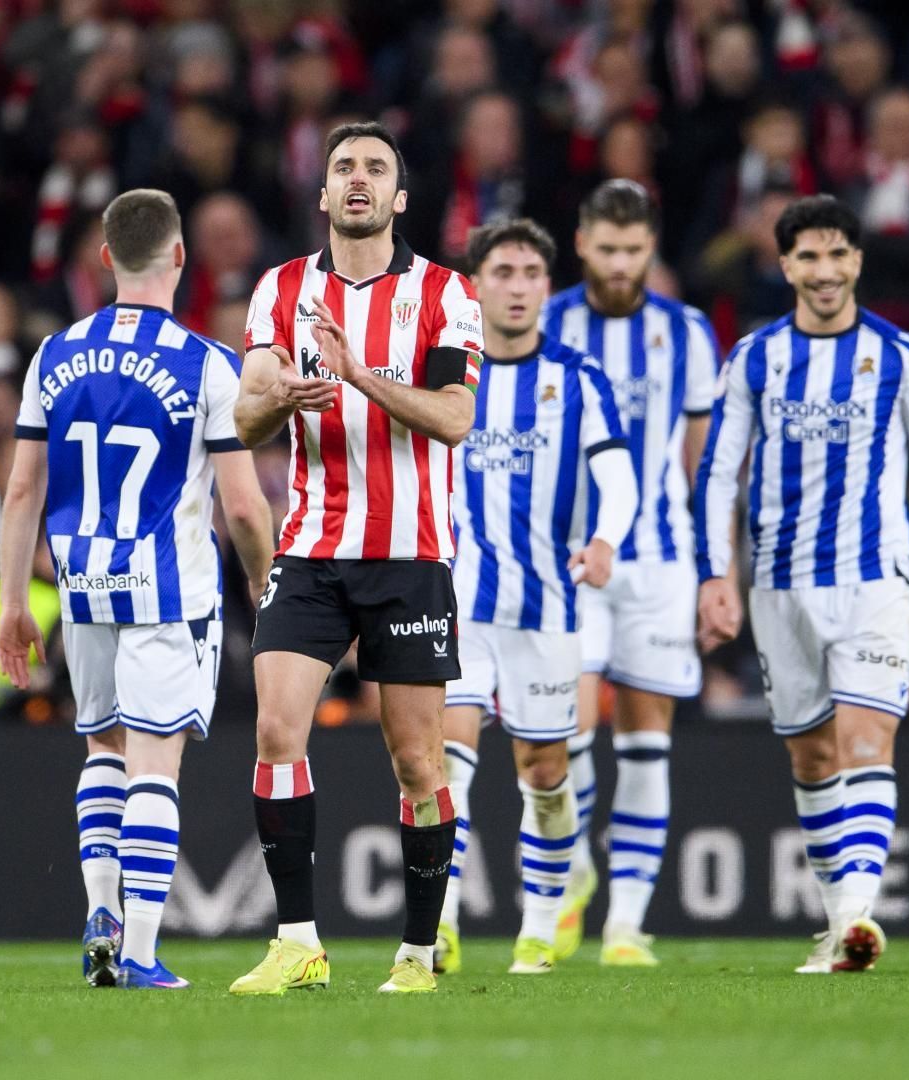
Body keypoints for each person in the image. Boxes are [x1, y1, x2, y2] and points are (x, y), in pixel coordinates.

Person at [693, 195, 909, 974]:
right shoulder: (755, 358)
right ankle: (840, 926)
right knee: (813, 759)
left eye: (837, 255)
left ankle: (857, 916)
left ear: (857, 260)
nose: (824, 271)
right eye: (808, 257)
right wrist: (714, 577)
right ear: (785, 265)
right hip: (779, 587)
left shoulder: (898, 357)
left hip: (875, 580)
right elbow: (719, 473)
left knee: (865, 743)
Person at [0, 189, 275, 990]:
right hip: (168, 591)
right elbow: (244, 503)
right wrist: (262, 579)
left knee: (102, 752)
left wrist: (17, 602)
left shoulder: (53, 354)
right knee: (156, 766)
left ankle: (100, 912)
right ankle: (144, 950)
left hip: (82, 586)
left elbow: (23, 492)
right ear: (181, 257)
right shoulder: (206, 364)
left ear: (105, 258)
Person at [229, 121, 483, 996]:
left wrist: (358, 372)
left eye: (377, 167)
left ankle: (416, 954)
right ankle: (297, 941)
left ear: (400, 197)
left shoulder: (448, 294)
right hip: (310, 549)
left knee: (418, 761)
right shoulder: (281, 289)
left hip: (411, 555)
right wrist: (284, 396)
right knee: (274, 727)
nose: (360, 179)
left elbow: (454, 418)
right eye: (345, 168)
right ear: (325, 194)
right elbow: (247, 416)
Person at [436, 218, 636, 976]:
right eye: (503, 273)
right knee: (444, 765)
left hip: (550, 606)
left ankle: (538, 930)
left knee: (545, 772)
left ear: (547, 287)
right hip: (458, 604)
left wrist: (607, 538)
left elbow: (618, 477)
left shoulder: (578, 379)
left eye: (530, 274)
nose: (517, 287)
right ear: (475, 285)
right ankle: (442, 926)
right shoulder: (443, 375)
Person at [540, 179, 721, 965]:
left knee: (647, 740)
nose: (619, 265)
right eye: (607, 249)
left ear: (652, 248)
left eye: (634, 250)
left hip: (660, 561)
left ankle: (626, 926)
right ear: (581, 242)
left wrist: (716, 571)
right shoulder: (546, 323)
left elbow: (702, 464)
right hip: (567, 562)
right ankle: (576, 870)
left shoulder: (687, 333)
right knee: (566, 736)